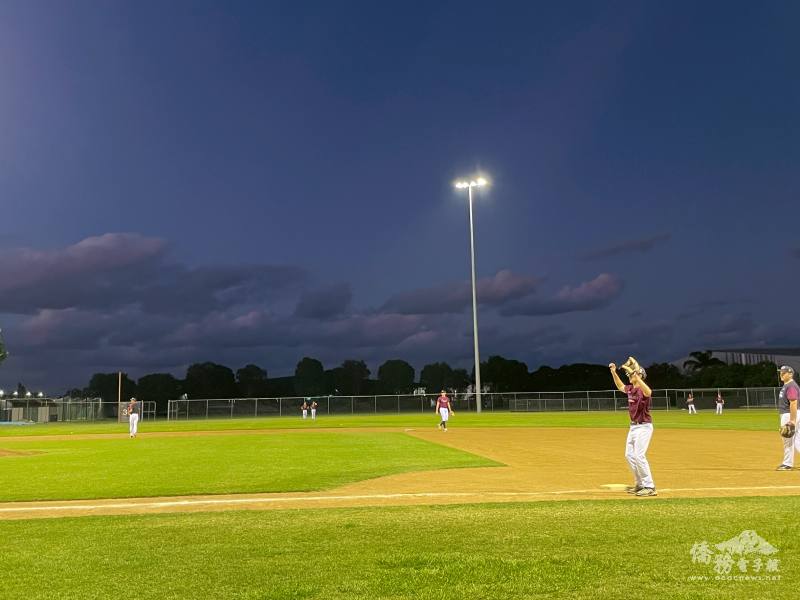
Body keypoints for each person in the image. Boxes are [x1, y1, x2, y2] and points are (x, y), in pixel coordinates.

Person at [610, 361, 656, 497]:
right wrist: (613, 372)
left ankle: (650, 486)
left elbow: (649, 392)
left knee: (639, 456)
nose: (630, 376)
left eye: (632, 374)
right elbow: (620, 386)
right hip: (633, 427)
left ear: (640, 375)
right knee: (629, 455)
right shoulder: (631, 389)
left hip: (644, 426)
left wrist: (638, 377)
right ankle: (640, 484)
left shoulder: (643, 390)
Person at [776, 365, 799, 471]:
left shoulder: (791, 386)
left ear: (790, 374)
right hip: (792, 414)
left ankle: (787, 464)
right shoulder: (788, 385)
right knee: (797, 440)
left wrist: (792, 420)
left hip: (789, 414)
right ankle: (788, 463)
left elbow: (793, 402)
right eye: (781, 372)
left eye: (784, 372)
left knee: (787, 439)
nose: (781, 374)